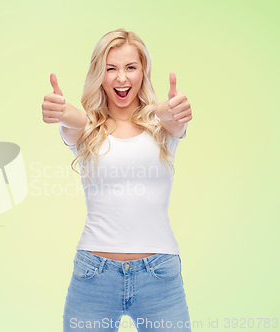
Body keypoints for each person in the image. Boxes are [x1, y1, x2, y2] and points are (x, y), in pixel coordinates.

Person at [41, 29, 193, 331]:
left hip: (160, 275)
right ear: (100, 74)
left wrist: (169, 109)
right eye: (111, 68)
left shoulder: (161, 127)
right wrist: (63, 112)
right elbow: (75, 121)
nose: (121, 78)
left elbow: (168, 117)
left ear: (143, 72)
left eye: (130, 67)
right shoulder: (86, 128)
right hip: (94, 277)